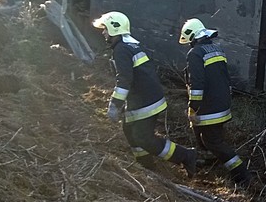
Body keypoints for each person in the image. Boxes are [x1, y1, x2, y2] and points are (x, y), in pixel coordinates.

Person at [93, 11, 198, 177]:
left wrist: (115, 105)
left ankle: (185, 155)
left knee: (144, 138)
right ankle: (146, 165)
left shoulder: (121, 49)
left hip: (145, 102)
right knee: (129, 130)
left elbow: (124, 80)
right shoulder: (131, 45)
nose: (103, 32)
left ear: (115, 29)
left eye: (105, 28)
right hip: (145, 98)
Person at [179, 18, 252, 186]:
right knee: (202, 133)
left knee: (213, 141)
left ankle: (241, 175)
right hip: (222, 101)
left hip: (209, 105)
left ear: (193, 38)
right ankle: (208, 160)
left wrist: (193, 107)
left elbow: (197, 84)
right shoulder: (216, 49)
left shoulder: (195, 53)